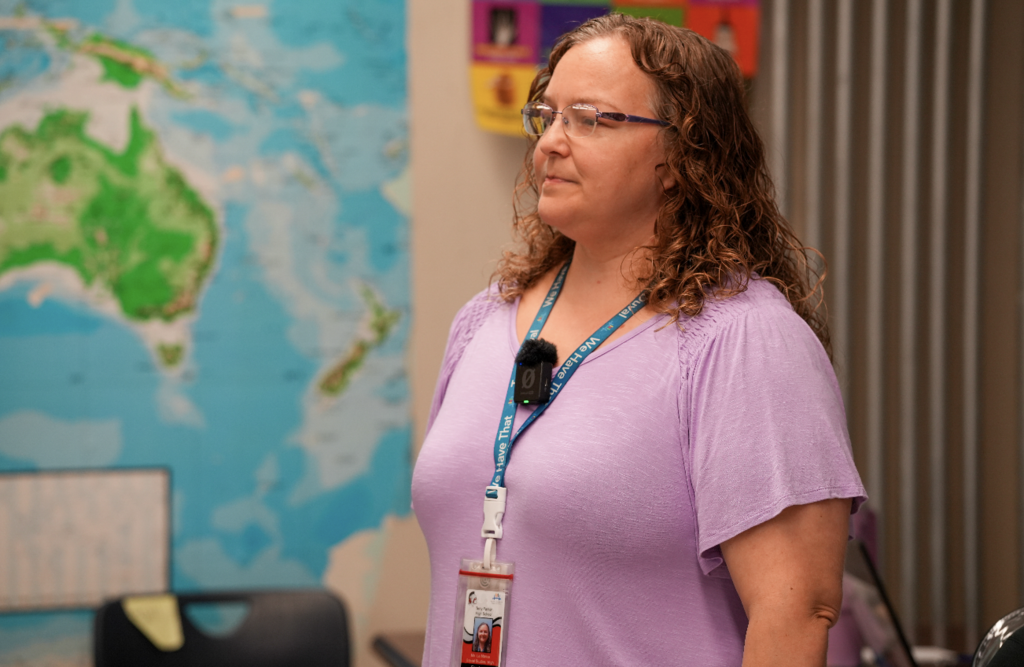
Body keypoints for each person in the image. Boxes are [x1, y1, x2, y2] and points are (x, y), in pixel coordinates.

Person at [412, 13, 866, 667]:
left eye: (590, 118)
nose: (550, 144)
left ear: (681, 156)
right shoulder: (485, 319)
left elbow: (796, 612)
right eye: (548, 115)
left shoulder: (745, 340)